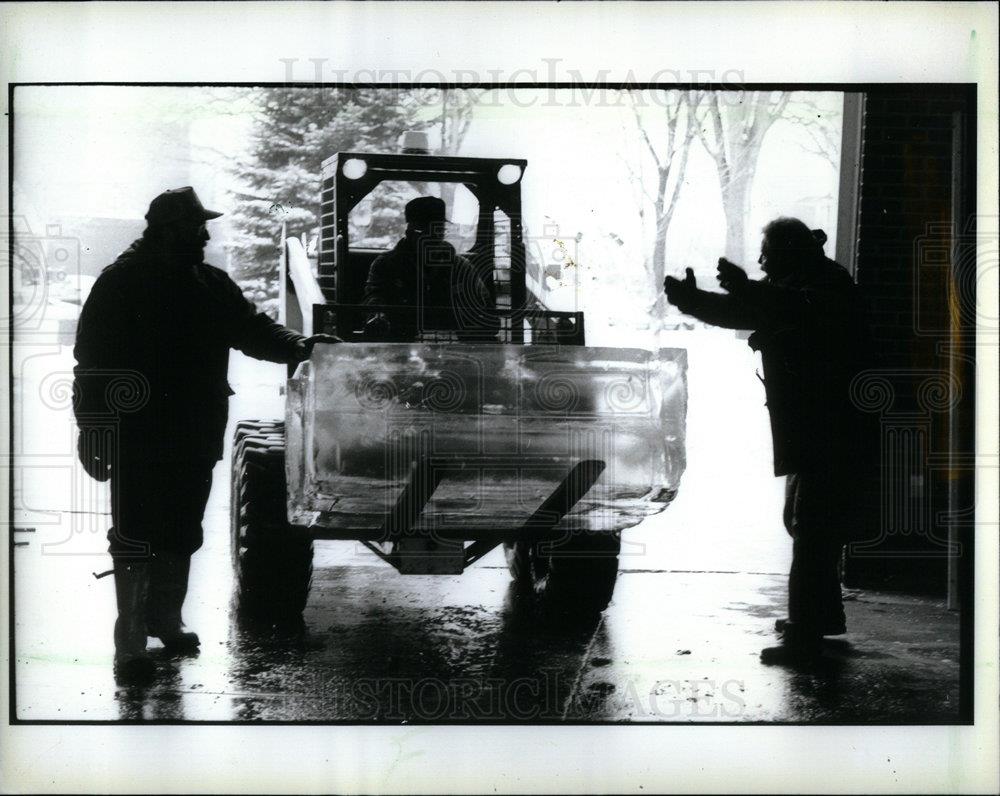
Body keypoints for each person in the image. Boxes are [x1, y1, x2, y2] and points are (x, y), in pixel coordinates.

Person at [73, 187, 337, 685]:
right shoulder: (120, 282)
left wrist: (303, 346)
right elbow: (92, 361)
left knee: (181, 529)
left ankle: (166, 621)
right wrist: (92, 428)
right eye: (197, 227)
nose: (205, 234)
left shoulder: (210, 283)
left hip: (194, 431)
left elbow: (253, 330)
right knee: (133, 533)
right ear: (168, 229)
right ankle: (128, 644)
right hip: (138, 433)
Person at [663, 217, 874, 665]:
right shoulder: (801, 280)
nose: (761, 261)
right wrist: (692, 300)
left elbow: (792, 308)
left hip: (833, 430)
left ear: (789, 252)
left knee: (813, 527)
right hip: (818, 428)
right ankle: (821, 617)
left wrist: (743, 286)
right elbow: (747, 311)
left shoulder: (824, 284)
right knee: (807, 524)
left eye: (767, 253)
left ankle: (806, 634)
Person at [362, 196, 498, 342]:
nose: (436, 238)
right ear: (410, 233)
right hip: (401, 343)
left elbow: (484, 306)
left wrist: (476, 320)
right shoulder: (385, 265)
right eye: (427, 232)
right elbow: (374, 297)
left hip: (452, 347)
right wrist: (378, 316)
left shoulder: (461, 267)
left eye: (439, 231)